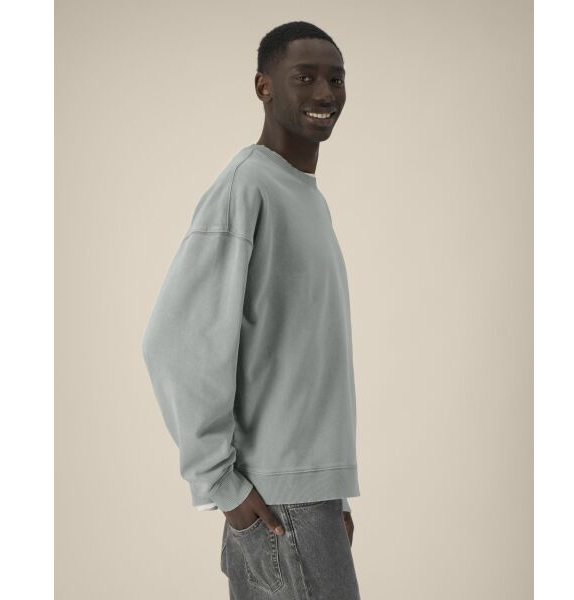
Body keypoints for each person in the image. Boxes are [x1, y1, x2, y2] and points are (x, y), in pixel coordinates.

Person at [142, 20, 361, 599]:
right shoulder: (247, 187)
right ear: (263, 86)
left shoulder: (305, 196)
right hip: (277, 501)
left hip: (307, 495)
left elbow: (301, 356)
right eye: (305, 77)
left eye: (336, 79)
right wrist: (223, 486)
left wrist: (332, 491)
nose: (325, 93)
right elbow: (174, 341)